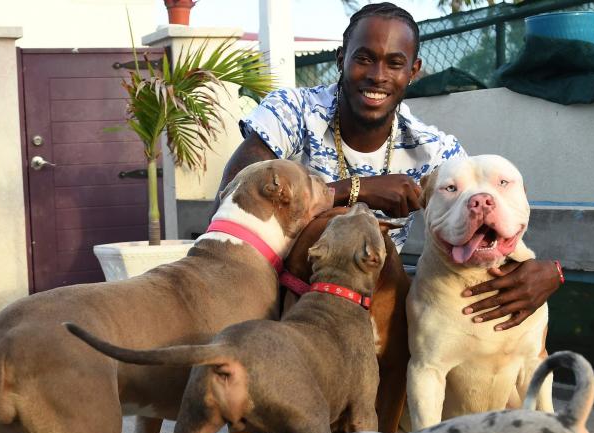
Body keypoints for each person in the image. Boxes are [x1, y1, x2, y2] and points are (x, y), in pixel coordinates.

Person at [218, 1, 561, 330]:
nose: (377, 76)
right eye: (364, 59)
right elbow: (232, 193)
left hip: (374, 306)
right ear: (341, 60)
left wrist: (547, 271)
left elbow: (484, 215)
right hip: (281, 296)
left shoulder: (436, 152)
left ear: (413, 71)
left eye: (395, 63)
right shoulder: (294, 110)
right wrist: (356, 190)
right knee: (338, 223)